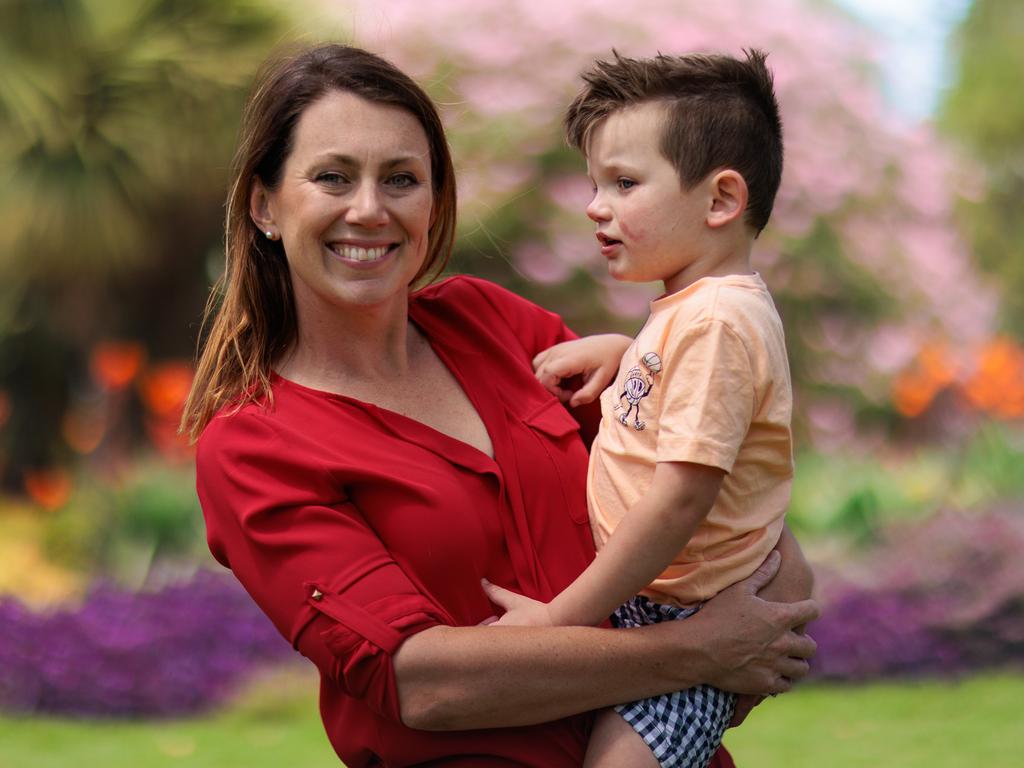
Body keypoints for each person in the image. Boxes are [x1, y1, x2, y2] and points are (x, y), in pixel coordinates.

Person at [181, 43, 818, 768]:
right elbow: (423, 683)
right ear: (265, 205)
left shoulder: (494, 324)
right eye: (332, 177)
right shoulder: (255, 446)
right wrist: (696, 651)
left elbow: (715, 510)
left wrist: (728, 657)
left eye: (401, 179)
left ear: (432, 202)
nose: (368, 209)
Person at [481, 50, 796, 768]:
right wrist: (628, 352)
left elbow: (680, 499)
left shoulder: (716, 321)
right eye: (595, 184)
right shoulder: (697, 311)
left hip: (689, 614)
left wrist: (562, 622)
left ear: (720, 201)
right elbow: (692, 393)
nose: (596, 205)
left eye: (624, 183)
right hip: (654, 599)